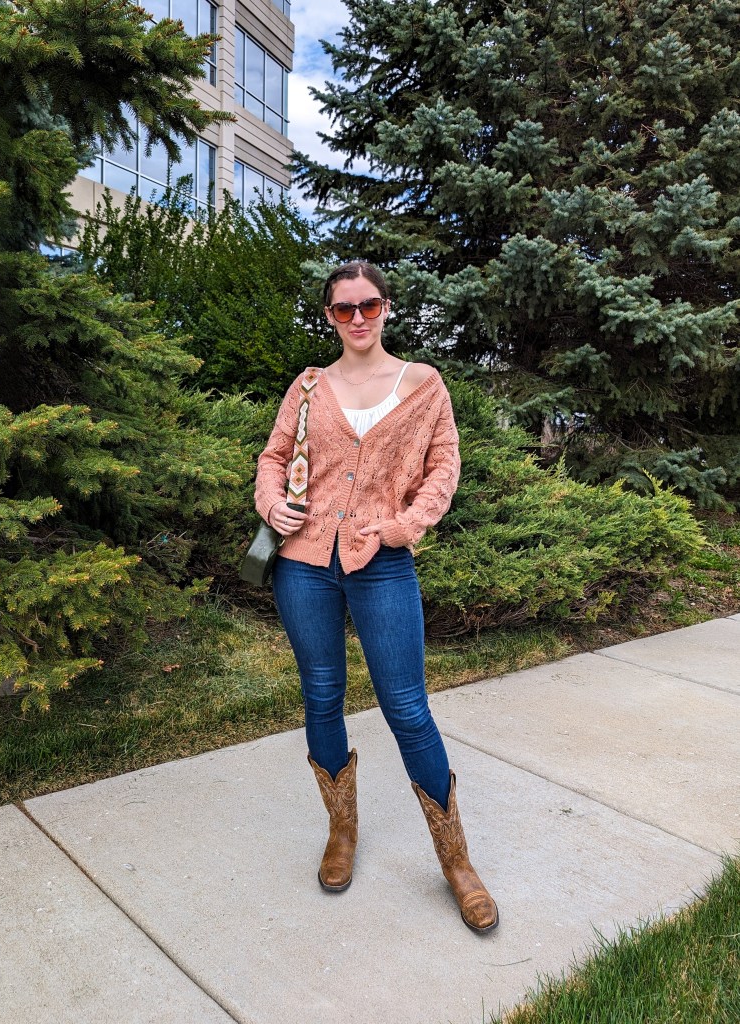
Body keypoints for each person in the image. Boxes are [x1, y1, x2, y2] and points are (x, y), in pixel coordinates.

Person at [254, 260, 498, 933]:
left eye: (368, 305)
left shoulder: (422, 385)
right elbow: (274, 456)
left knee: (408, 709)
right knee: (321, 696)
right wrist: (271, 502)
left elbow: (444, 467)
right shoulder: (308, 385)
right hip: (304, 564)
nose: (356, 318)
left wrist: (402, 526)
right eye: (342, 309)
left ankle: (456, 862)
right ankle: (341, 833)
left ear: (387, 308)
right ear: (328, 316)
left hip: (382, 564)